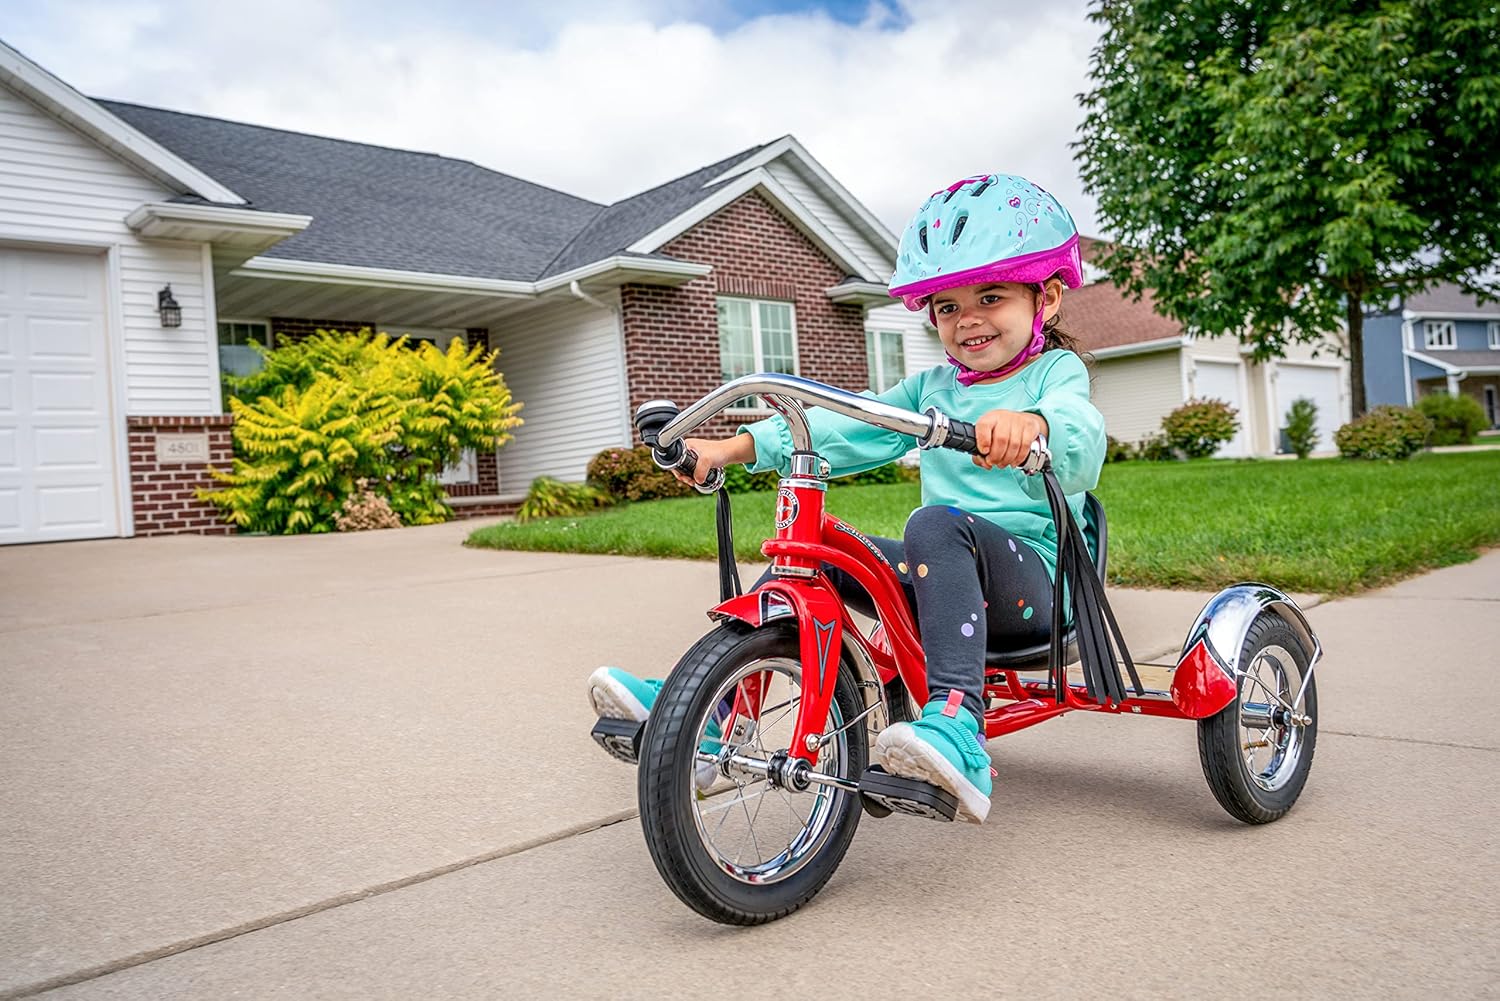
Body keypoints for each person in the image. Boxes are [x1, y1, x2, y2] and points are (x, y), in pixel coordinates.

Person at [588, 173, 1105, 823]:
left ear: (1048, 297)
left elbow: (1082, 436)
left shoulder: (1054, 373)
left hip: (1035, 583)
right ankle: (712, 716)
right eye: (947, 305)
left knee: (935, 525)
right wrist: (732, 447)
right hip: (944, 575)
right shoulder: (931, 388)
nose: (967, 318)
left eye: (992, 296)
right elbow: (841, 425)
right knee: (814, 552)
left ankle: (958, 729)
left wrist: (1038, 427)